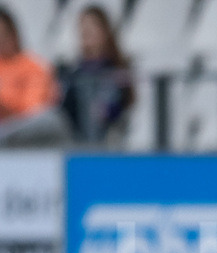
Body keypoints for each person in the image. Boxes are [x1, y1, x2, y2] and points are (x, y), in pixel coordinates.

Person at [59, 4, 134, 145]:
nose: (85, 31)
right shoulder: (73, 73)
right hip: (78, 143)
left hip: (108, 144)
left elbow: (121, 107)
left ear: (104, 31)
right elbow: (66, 111)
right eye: (82, 27)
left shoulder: (117, 69)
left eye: (91, 26)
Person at [0, 7, 69, 146]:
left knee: (51, 119)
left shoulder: (33, 67)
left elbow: (33, 111)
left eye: (3, 34)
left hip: (21, 129)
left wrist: (4, 106)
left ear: (13, 34)